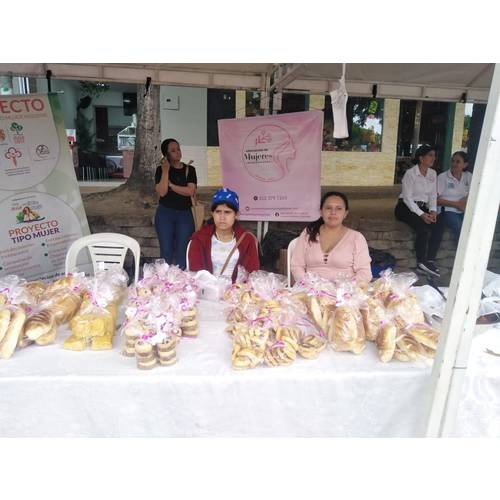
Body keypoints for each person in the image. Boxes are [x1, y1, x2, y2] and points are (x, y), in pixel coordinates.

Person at [291, 191, 372, 283]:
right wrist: (308, 286)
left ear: (345, 213)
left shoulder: (356, 238)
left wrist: (345, 289)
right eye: (328, 208)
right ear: (321, 212)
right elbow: (297, 265)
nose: (333, 212)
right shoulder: (308, 233)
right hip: (311, 293)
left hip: (346, 293)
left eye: (339, 208)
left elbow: (365, 273)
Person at [188, 188, 260, 282]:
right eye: (218, 212)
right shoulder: (199, 238)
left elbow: (252, 273)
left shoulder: (247, 240)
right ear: (212, 214)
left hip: (237, 293)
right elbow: (195, 271)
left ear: (236, 215)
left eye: (227, 212)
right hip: (207, 292)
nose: (222, 217)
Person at [394, 144, 442, 277]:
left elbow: (432, 195)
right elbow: (408, 198)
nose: (433, 158)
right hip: (405, 207)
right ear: (421, 158)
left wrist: (432, 211)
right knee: (423, 229)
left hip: (422, 206)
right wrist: (421, 215)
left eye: (434, 155)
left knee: (438, 226)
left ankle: (430, 260)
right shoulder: (411, 174)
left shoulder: (433, 173)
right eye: (430, 155)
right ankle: (421, 263)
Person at [154, 138, 197, 270]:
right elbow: (162, 191)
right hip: (165, 214)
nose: (177, 152)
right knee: (166, 250)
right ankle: (163, 284)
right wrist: (166, 171)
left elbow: (190, 191)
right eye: (173, 150)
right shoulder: (161, 170)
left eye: (178, 149)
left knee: (182, 251)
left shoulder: (190, 169)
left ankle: (181, 284)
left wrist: (171, 185)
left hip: (185, 215)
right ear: (166, 155)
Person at [437, 151, 472, 242]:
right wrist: (456, 204)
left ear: (465, 165)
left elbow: (475, 192)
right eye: (452, 161)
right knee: (459, 227)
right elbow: (435, 200)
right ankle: (461, 253)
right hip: (447, 210)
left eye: (458, 161)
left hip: (464, 209)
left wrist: (465, 200)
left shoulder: (468, 176)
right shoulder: (443, 177)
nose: (454, 164)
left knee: (473, 226)